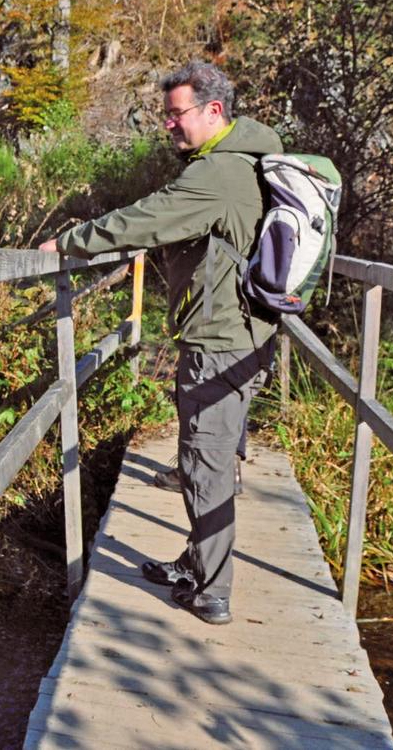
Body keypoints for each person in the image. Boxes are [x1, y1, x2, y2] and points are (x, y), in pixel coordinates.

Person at [38, 60, 279, 625]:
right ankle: (198, 563)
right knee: (208, 453)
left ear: (213, 111)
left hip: (223, 341)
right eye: (166, 115)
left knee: (206, 461)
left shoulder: (218, 173)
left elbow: (148, 220)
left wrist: (69, 241)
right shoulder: (245, 159)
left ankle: (212, 591)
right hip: (244, 335)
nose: (168, 125)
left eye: (177, 114)